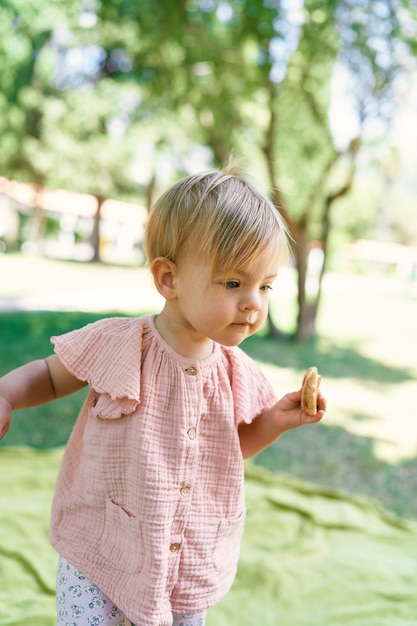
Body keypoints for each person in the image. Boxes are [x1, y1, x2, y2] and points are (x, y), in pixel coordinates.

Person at [0, 168, 326, 626]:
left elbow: (227, 453)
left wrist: (274, 421)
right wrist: (7, 395)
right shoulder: (120, 344)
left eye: (265, 285)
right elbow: (51, 377)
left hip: (188, 556)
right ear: (168, 279)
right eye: (233, 283)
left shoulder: (235, 372)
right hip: (103, 546)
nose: (253, 302)